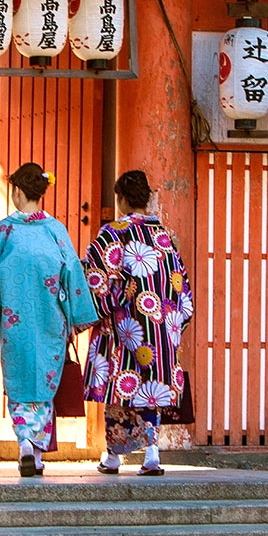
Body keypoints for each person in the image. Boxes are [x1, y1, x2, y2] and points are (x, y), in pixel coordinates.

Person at [0, 163, 99, 477]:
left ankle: (25, 442)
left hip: (15, 321)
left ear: (17, 190)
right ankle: (36, 454)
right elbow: (72, 275)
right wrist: (76, 316)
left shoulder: (3, 231)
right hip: (51, 319)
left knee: (20, 381)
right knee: (44, 382)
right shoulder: (56, 231)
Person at [82, 170, 194, 477]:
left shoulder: (112, 234)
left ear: (121, 199)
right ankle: (152, 453)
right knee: (151, 388)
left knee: (122, 387)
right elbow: (182, 289)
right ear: (147, 198)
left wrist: (83, 313)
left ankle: (114, 456)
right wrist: (171, 324)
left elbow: (98, 283)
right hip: (160, 326)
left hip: (125, 327)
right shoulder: (164, 238)